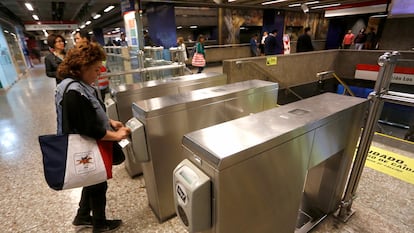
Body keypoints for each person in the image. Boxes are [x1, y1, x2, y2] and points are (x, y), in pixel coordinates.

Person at [56, 41, 131, 233]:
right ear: (83, 67)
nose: (99, 74)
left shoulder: (72, 85)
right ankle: (100, 224)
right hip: (86, 146)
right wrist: (117, 135)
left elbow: (88, 113)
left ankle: (82, 216)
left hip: (82, 145)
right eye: (96, 70)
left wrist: (109, 120)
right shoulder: (75, 91)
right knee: (98, 184)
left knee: (91, 180)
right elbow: (88, 127)